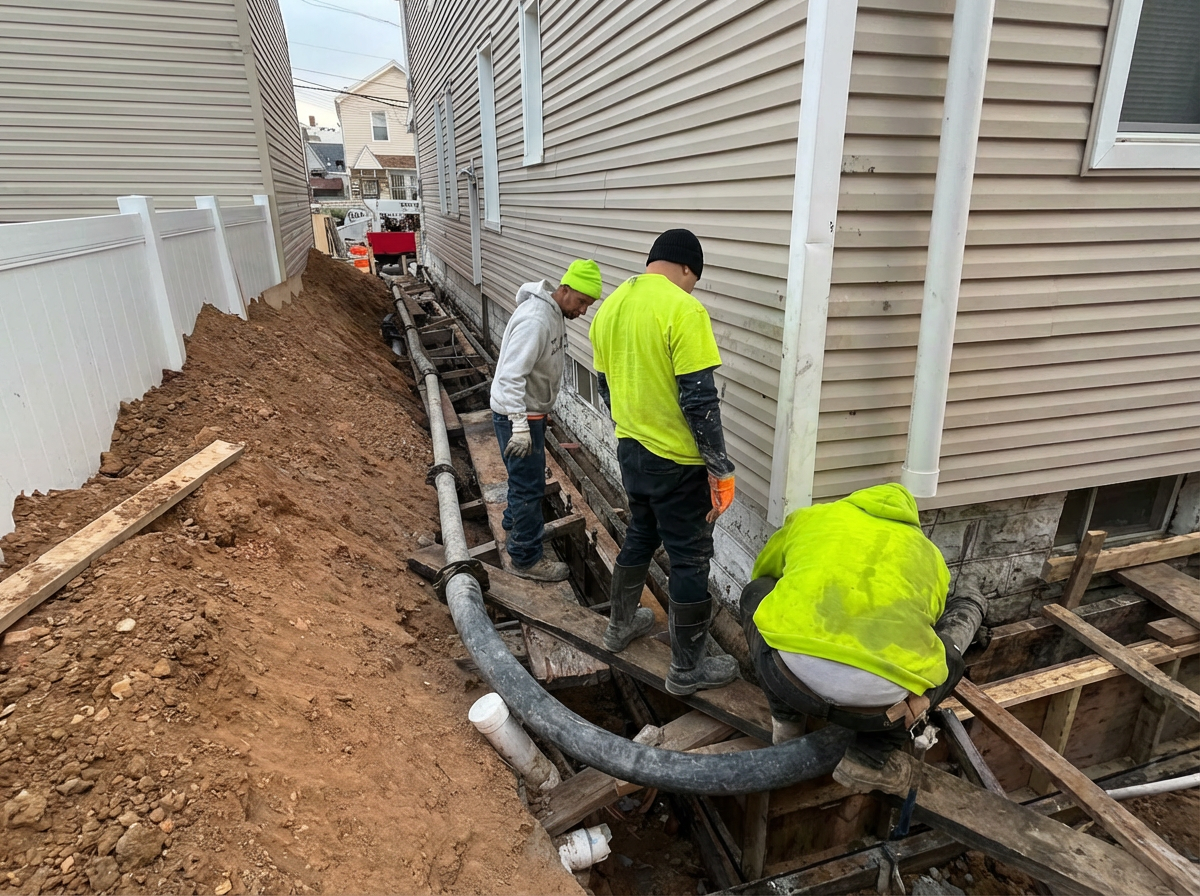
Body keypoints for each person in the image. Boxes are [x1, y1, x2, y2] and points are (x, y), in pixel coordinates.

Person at [588, 229, 739, 696]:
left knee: (641, 533)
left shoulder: (610, 307)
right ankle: (687, 670)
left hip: (632, 451)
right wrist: (719, 467)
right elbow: (699, 399)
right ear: (688, 268)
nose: (693, 287)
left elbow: (606, 386)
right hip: (677, 462)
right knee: (690, 558)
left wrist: (636, 425)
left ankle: (618, 627)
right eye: (695, 278)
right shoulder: (683, 308)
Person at [739, 482, 986, 746]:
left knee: (757, 593)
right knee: (949, 658)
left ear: (856, 501)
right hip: (877, 711)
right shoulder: (931, 555)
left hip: (788, 679)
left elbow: (765, 571)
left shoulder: (814, 517)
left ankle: (787, 719)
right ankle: (873, 754)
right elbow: (932, 622)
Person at [491, 260, 602, 581]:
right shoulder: (537, 321)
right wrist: (522, 427)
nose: (583, 311)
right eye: (581, 302)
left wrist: (541, 410)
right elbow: (511, 377)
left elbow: (540, 368)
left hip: (530, 412)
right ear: (563, 290)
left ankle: (513, 522)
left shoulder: (553, 314)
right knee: (530, 486)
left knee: (526, 477)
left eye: (588, 305)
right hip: (518, 415)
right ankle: (525, 559)